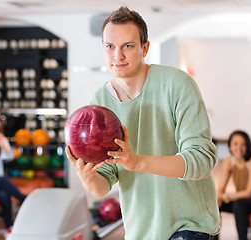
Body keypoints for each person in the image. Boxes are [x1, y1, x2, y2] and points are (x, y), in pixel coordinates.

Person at [66, 6, 220, 240]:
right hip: (141, 231)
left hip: (190, 225)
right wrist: (87, 177)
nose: (118, 55)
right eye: (110, 47)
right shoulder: (99, 102)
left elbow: (201, 160)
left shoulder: (177, 84)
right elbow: (104, 182)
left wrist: (137, 162)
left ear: (144, 48)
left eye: (127, 46)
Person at [217, 130, 251, 240]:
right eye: (235, 144)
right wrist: (219, 196)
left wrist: (225, 196)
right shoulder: (229, 161)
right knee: (215, 203)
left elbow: (249, 193)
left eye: (243, 144)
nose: (239, 148)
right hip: (240, 199)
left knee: (238, 204)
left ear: (248, 146)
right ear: (230, 146)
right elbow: (221, 188)